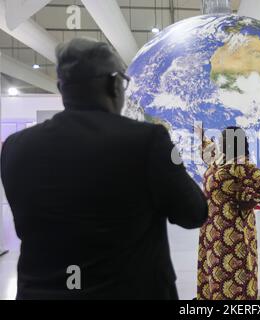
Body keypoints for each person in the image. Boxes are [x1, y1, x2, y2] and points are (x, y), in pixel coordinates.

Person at [0, 38, 207, 300]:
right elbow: (193, 213)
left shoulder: (16, 147)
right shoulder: (146, 140)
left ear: (61, 88)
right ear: (113, 84)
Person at [196, 126, 260, 300]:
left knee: (233, 280)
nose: (219, 143)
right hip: (212, 233)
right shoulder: (221, 160)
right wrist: (201, 135)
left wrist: (248, 201)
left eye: (223, 141)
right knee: (214, 276)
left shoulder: (242, 165)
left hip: (232, 235)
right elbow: (209, 152)